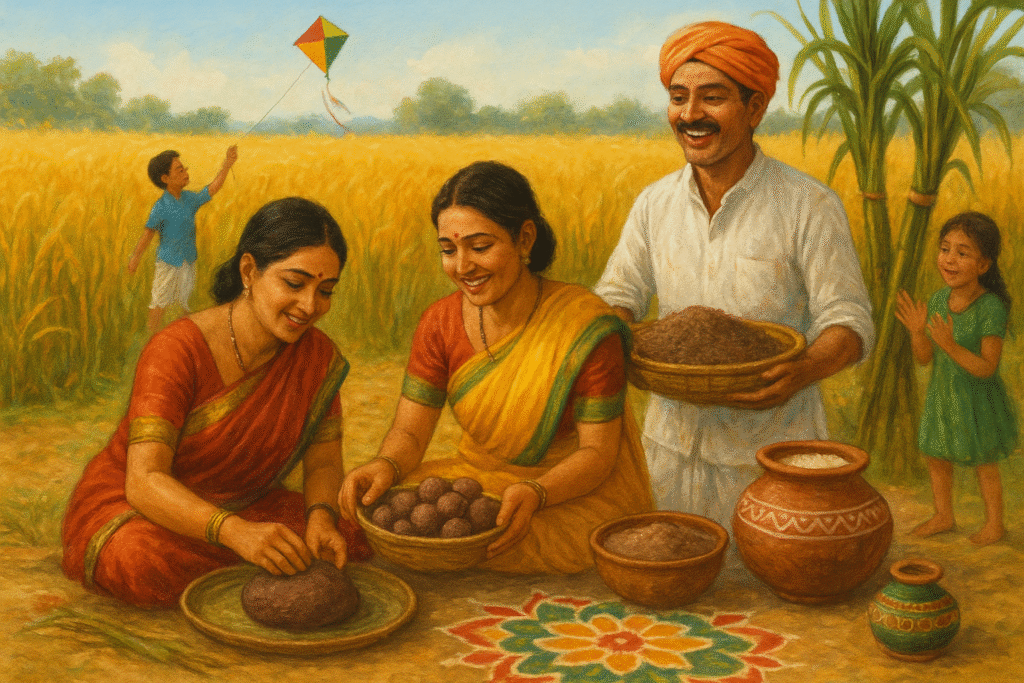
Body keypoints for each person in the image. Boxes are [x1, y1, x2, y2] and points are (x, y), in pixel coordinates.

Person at [593, 21, 874, 527]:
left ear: (755, 108)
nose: (691, 115)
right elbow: (619, 294)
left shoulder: (808, 205)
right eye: (679, 98)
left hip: (772, 460)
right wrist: (610, 336)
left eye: (712, 97)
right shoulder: (655, 204)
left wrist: (803, 370)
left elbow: (849, 321)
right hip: (668, 452)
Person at [340, 161, 652, 573]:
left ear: (524, 238)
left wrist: (536, 492)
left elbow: (597, 454)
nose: (463, 266)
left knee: (507, 541)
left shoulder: (584, 327)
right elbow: (410, 431)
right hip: (477, 479)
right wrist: (387, 464)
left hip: (567, 491)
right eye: (448, 251)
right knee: (385, 515)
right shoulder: (439, 322)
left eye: (480, 247)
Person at [63, 197, 370, 607]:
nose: (310, 306)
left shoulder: (317, 357)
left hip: (247, 504)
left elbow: (325, 462)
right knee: (137, 561)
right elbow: (144, 481)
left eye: (325, 290)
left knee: (348, 534)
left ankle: (254, 577)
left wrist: (319, 517)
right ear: (249, 271)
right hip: (148, 506)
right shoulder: (176, 349)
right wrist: (237, 534)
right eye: (294, 284)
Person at [896, 211, 1018, 546]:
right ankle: (944, 515)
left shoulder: (990, 307)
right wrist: (917, 332)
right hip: (943, 396)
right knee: (937, 455)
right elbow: (924, 359)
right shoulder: (938, 300)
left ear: (983, 265)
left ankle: (994, 524)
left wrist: (949, 345)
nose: (949, 259)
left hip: (977, 400)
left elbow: (986, 367)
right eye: (945, 249)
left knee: (984, 460)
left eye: (962, 253)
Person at [128, 146, 239, 333]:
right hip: (168, 262)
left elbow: (212, 188)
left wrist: (227, 164)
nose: (185, 172)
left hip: (188, 259)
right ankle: (151, 338)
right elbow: (148, 234)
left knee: (185, 302)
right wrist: (136, 257)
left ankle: (183, 339)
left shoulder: (189, 199)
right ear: (165, 179)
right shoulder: (161, 206)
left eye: (184, 168)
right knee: (159, 302)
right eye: (179, 170)